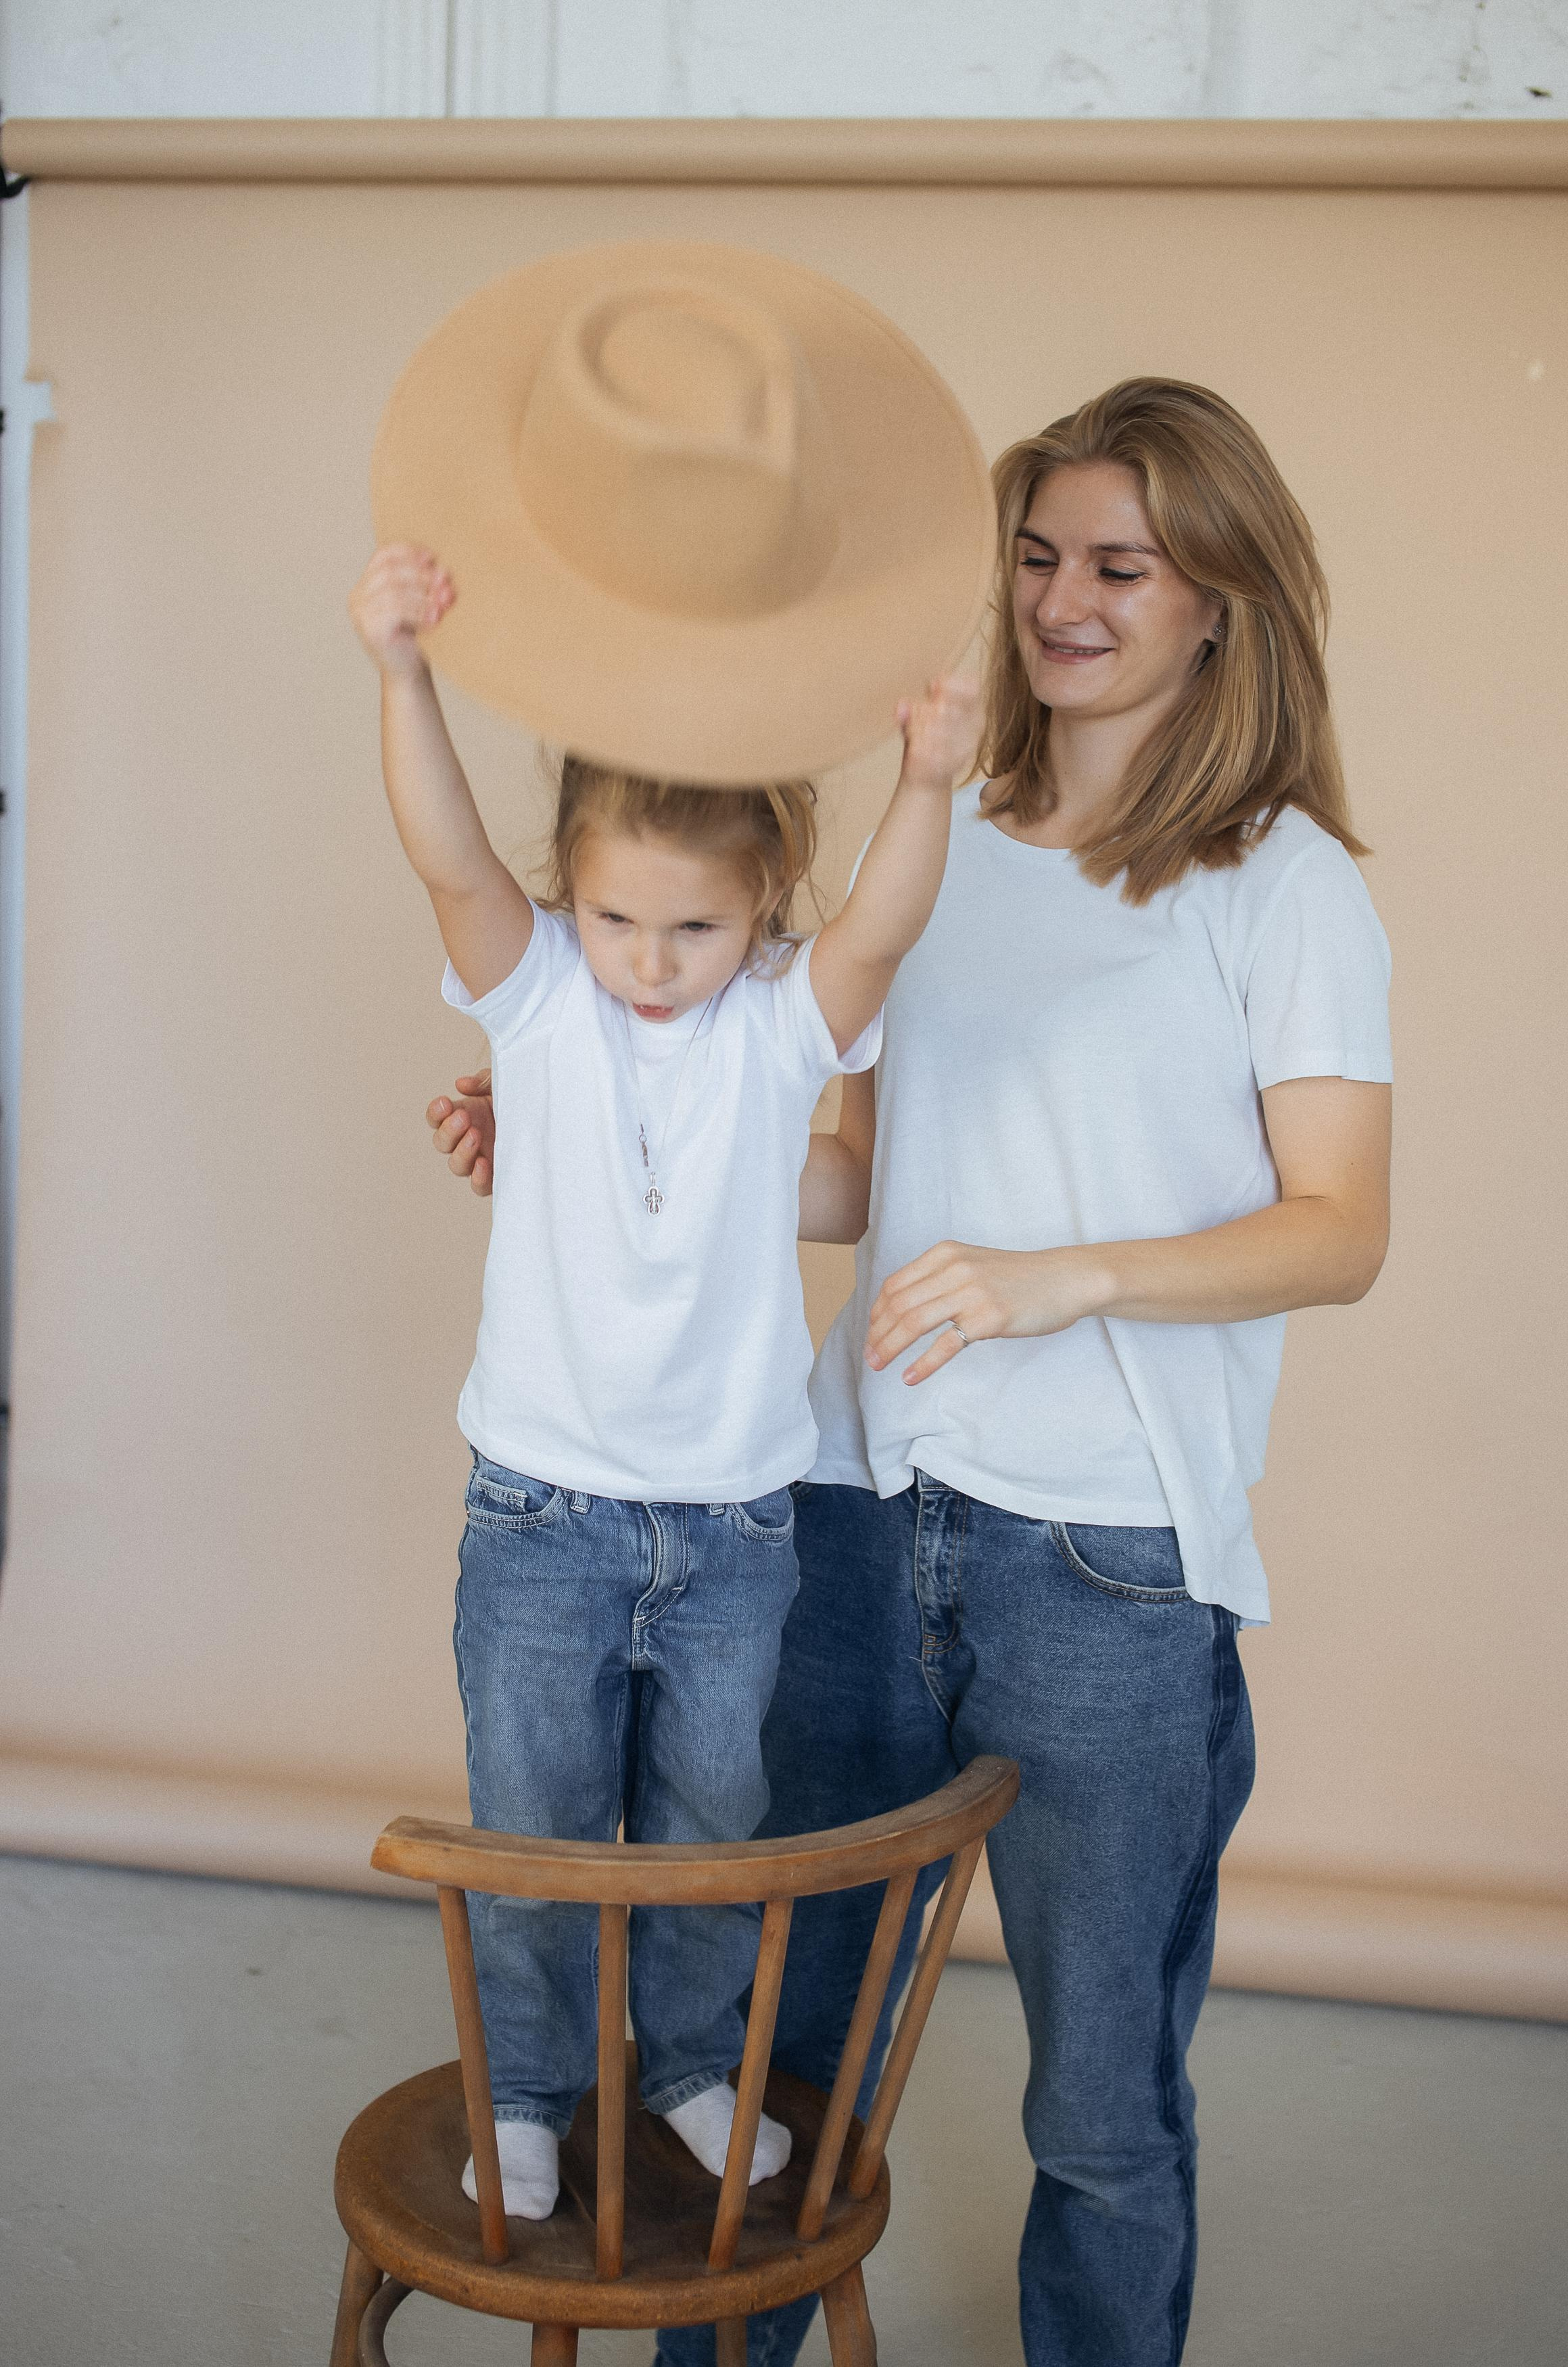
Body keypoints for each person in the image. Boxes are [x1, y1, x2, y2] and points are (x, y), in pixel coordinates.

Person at [429, 375, 1392, 2366]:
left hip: (1107, 1564)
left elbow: (1338, 1227)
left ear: (1220, 597)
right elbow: (864, 1173)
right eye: (1034, 556)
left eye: (1118, 566)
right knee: (772, 2069)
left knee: (1098, 2109)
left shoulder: (1285, 883)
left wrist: (1064, 1278)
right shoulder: (942, 845)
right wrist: (613, 1145)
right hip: (851, 1513)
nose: (1060, 601)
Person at [350, 528, 980, 2225]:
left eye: (694, 926)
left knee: (717, 1822)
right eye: (617, 915)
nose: (648, 957)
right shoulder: (542, 1002)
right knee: (536, 1828)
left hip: (734, 1526)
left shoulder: (779, 1026)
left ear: (764, 904)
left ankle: (696, 2060)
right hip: (540, 1513)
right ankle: (530, 2087)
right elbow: (445, 851)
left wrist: (927, 779)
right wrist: (403, 671)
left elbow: (884, 925)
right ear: (570, 889)